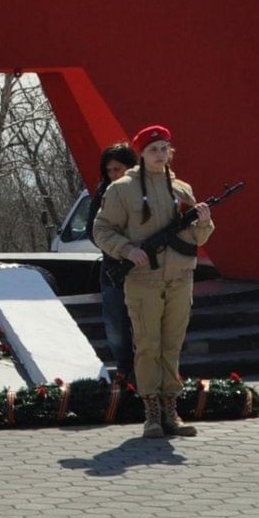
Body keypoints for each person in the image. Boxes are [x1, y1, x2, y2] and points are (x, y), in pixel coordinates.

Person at [92, 125, 214, 440]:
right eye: (153, 150)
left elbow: (197, 238)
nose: (160, 155)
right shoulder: (121, 189)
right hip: (143, 279)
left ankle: (171, 410)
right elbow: (102, 230)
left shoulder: (182, 189)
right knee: (148, 345)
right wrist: (127, 249)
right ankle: (152, 415)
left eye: (164, 149)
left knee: (172, 345)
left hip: (179, 278)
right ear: (141, 154)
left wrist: (204, 221)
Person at [90, 141, 140, 384]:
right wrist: (119, 247)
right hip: (113, 270)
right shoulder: (103, 193)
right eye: (109, 170)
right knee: (115, 326)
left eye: (118, 169)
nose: (114, 175)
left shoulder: (144, 191)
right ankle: (123, 369)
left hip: (144, 270)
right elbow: (94, 231)